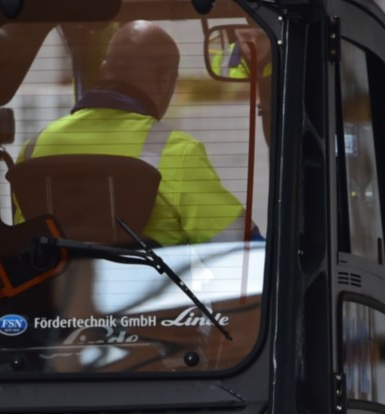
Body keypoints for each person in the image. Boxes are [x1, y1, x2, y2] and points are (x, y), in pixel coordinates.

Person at [24, 21, 253, 247]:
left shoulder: (33, 149)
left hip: (60, 285)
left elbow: (27, 243)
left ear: (104, 71)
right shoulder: (177, 151)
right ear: (165, 79)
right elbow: (238, 244)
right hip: (155, 285)